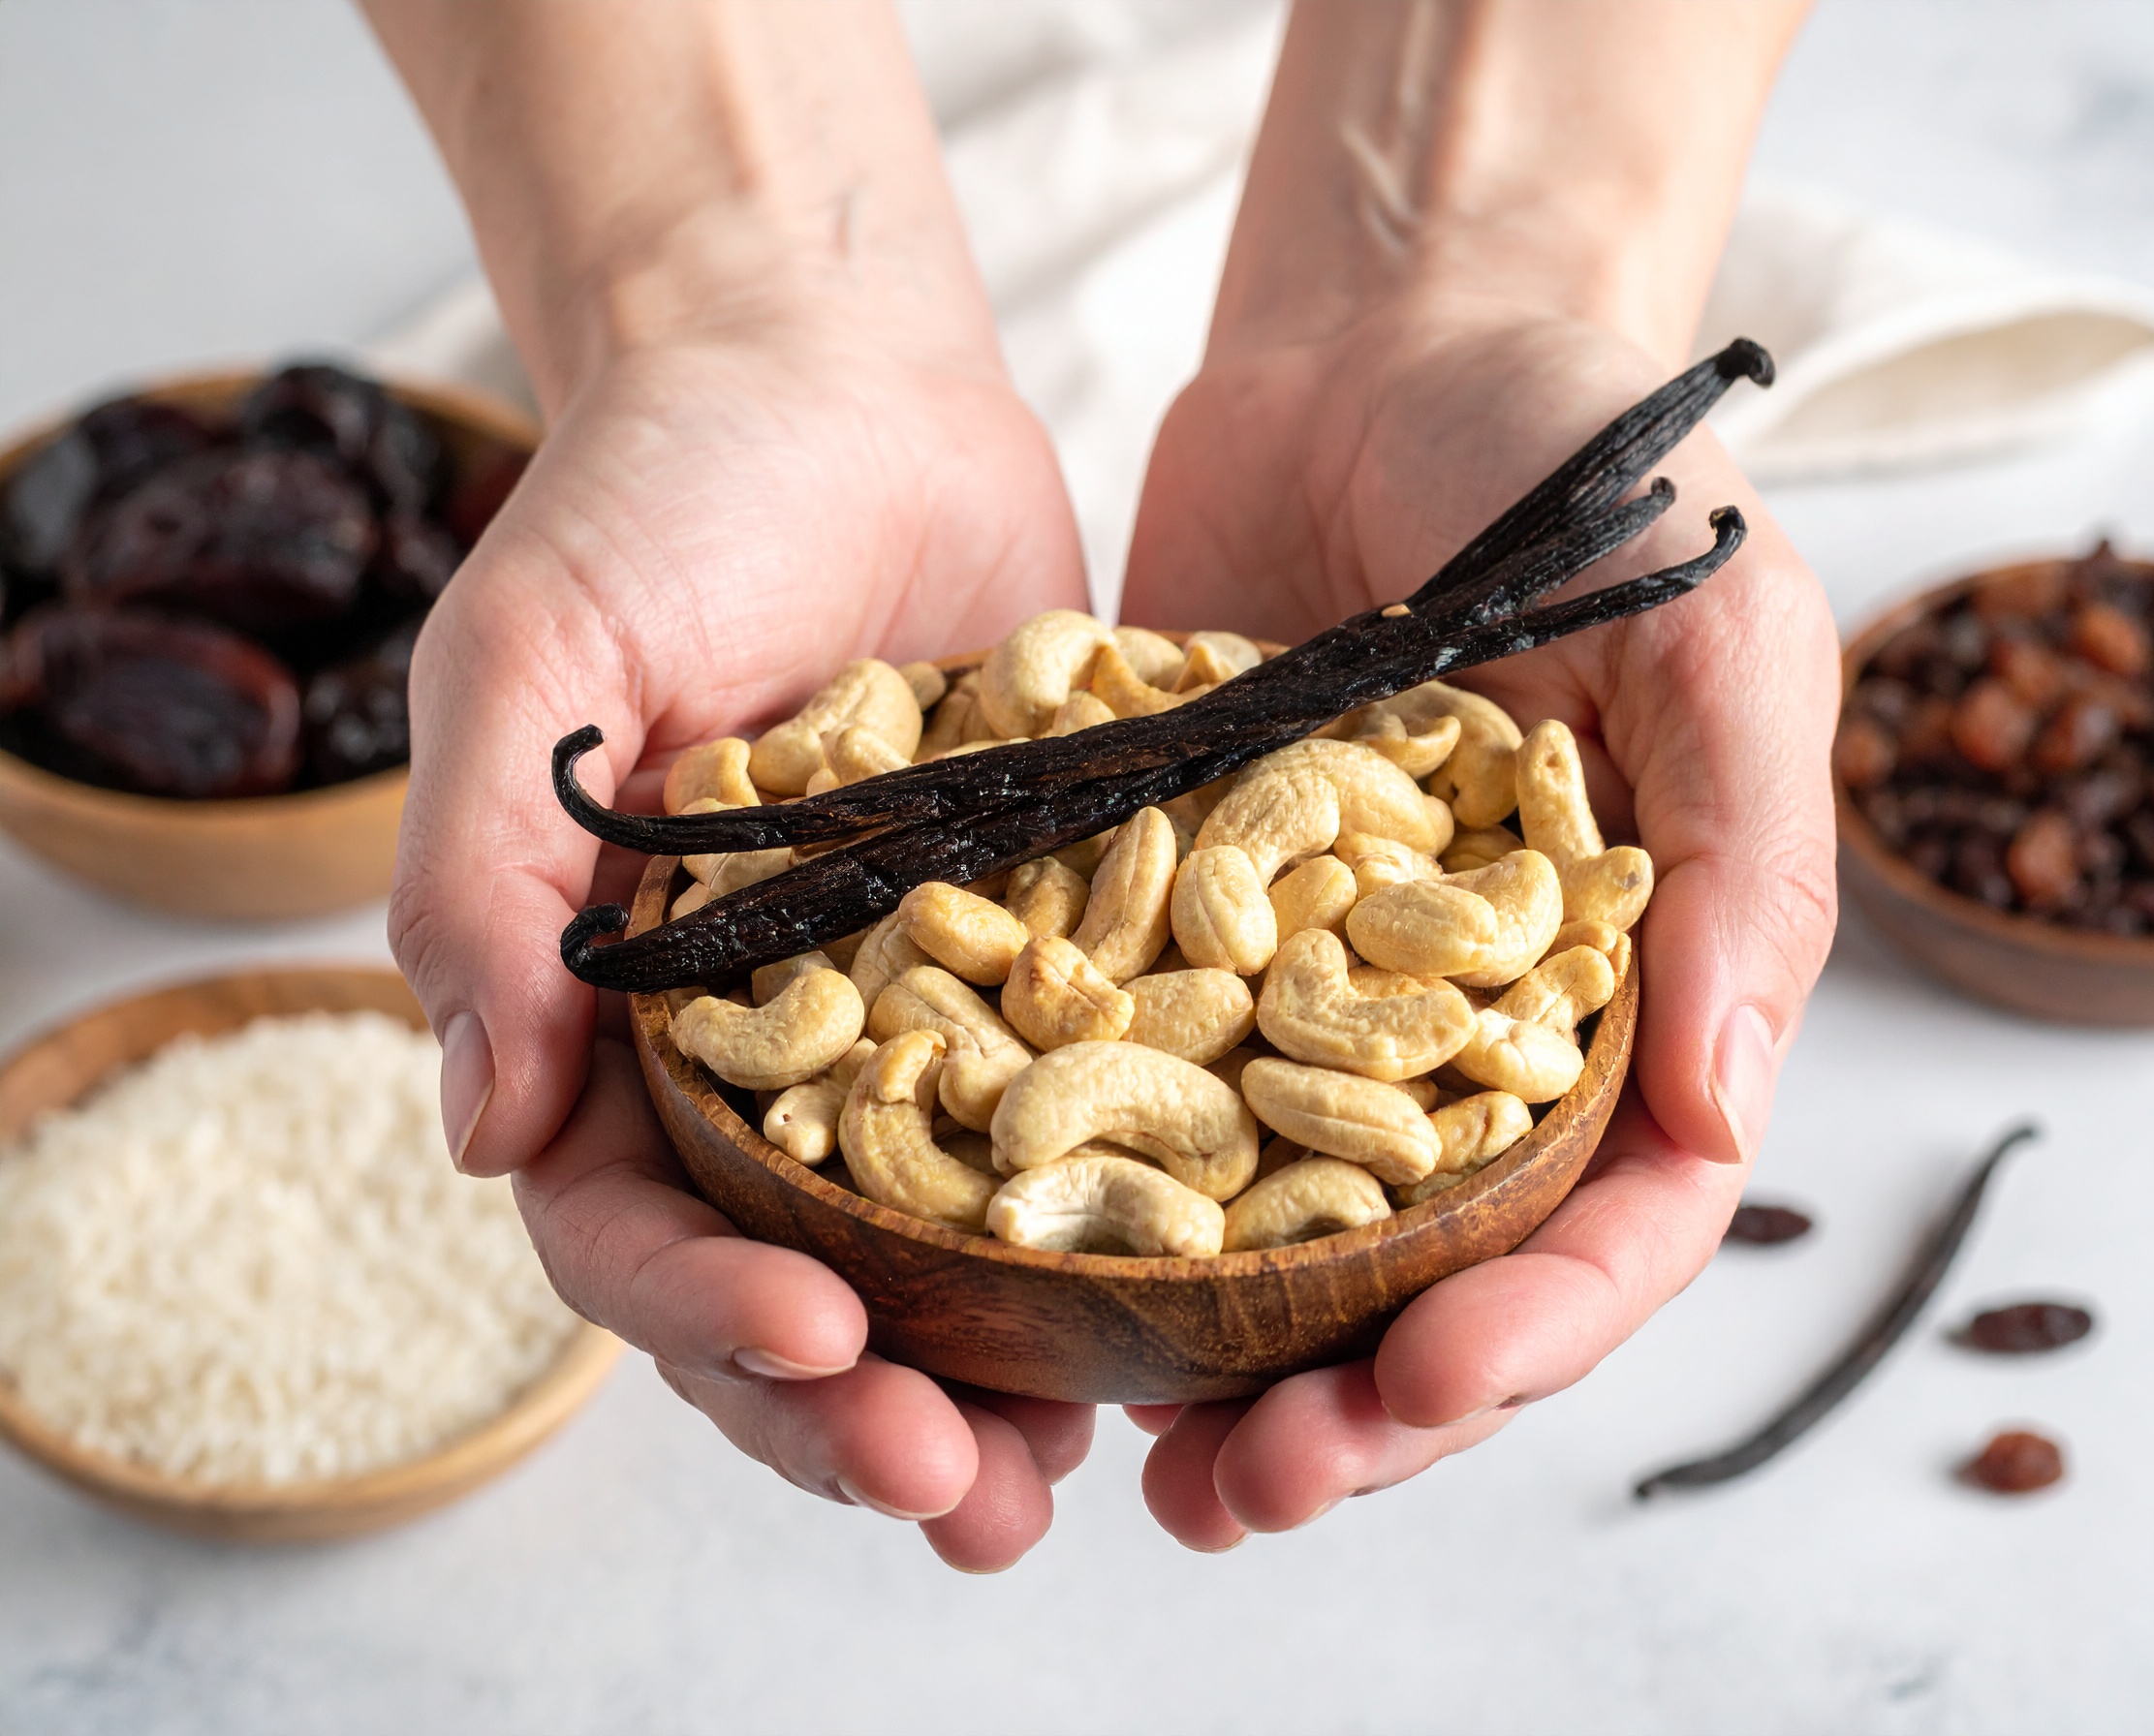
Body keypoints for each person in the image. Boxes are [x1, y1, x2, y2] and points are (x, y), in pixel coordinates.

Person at [362, 0, 1837, 1570]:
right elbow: (1190, 1103)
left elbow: (1248, 1057)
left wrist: (1478, 288)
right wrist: (743, 308)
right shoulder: (969, 962)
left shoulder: (1384, 846)